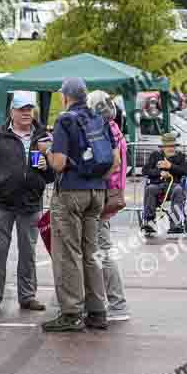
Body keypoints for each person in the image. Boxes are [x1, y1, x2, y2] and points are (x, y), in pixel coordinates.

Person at [39, 77, 120, 332]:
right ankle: (97, 311)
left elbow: (59, 163)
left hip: (71, 192)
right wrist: (96, 179)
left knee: (67, 252)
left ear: (66, 97)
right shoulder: (100, 118)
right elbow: (114, 162)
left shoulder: (65, 120)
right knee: (91, 251)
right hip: (97, 192)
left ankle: (71, 312)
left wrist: (46, 151)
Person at [0, 91, 53, 313]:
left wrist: (46, 169)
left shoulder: (43, 137)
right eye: (22, 109)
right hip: (1, 204)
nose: (27, 113)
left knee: (28, 252)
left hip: (30, 204)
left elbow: (53, 174)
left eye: (30, 108)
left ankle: (27, 296)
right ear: (12, 112)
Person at [87, 90, 130, 322]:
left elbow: (110, 166)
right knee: (100, 250)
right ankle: (108, 300)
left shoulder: (106, 133)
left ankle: (116, 302)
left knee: (102, 251)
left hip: (103, 196)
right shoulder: (115, 129)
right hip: (110, 195)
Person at [141, 133, 187, 234]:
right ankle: (149, 221)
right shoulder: (155, 155)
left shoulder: (180, 157)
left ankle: (175, 223)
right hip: (157, 185)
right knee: (150, 189)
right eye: (168, 146)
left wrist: (171, 166)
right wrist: (159, 172)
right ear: (163, 147)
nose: (170, 148)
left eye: (172, 146)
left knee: (178, 190)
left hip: (174, 185)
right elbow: (145, 170)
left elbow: (186, 172)